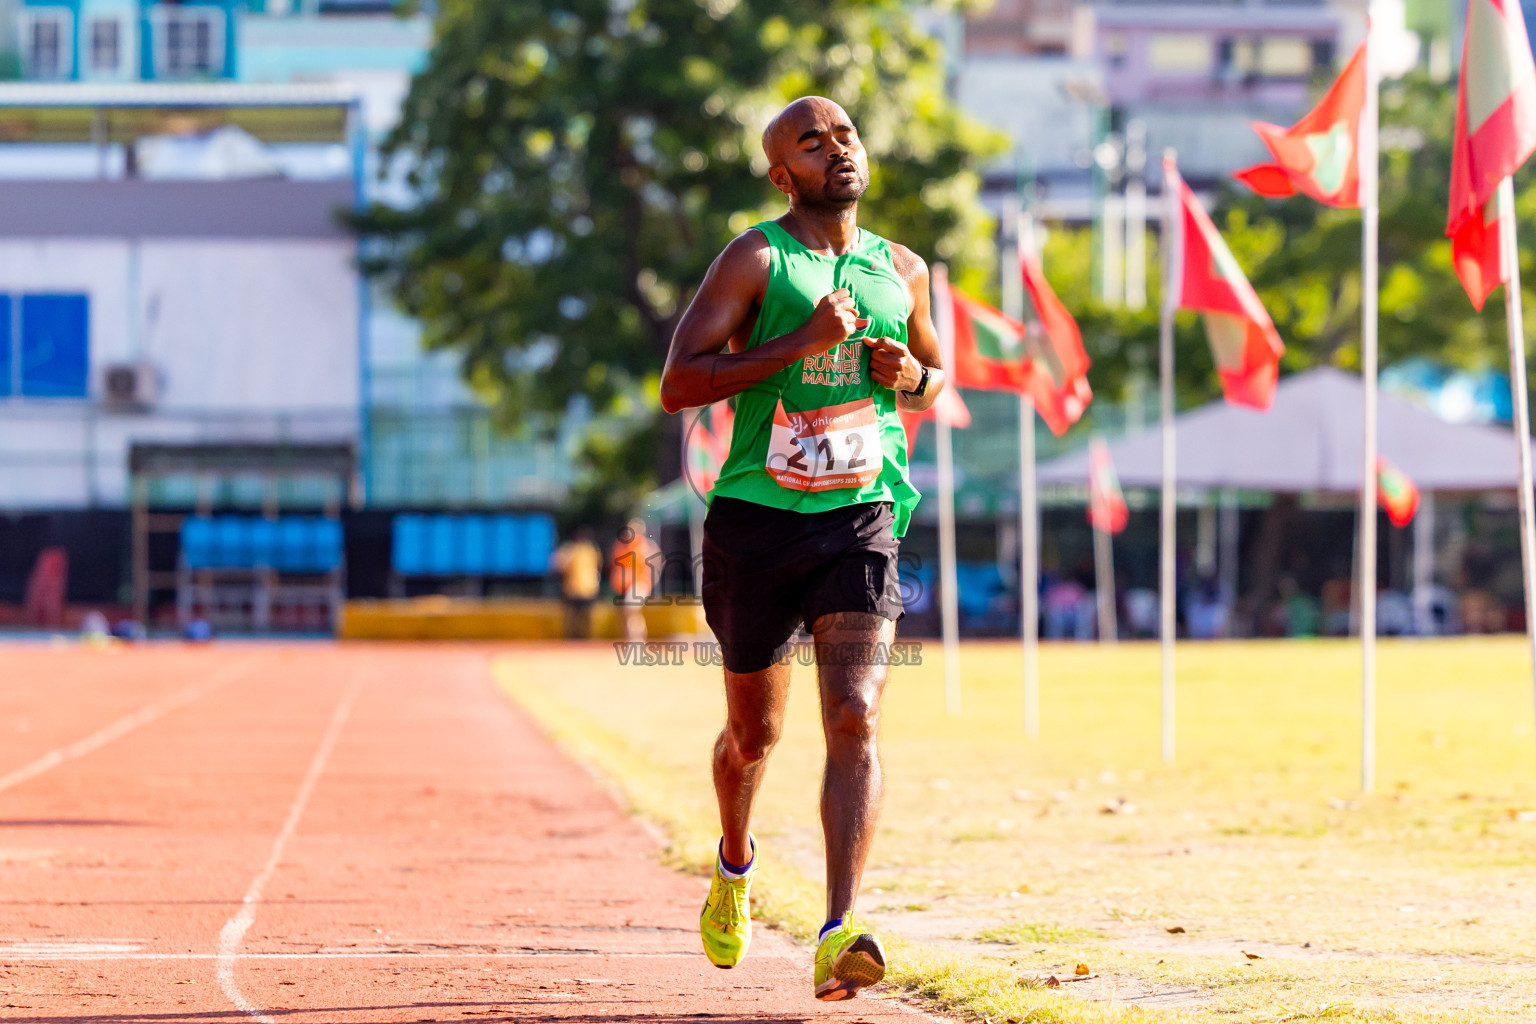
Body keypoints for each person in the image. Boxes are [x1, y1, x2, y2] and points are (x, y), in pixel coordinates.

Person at [659, 96, 947, 1001]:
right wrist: (799, 345)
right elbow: (679, 383)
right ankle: (735, 862)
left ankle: (838, 929)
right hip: (756, 517)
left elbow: (933, 376)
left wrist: (912, 375)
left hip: (861, 514)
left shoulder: (902, 267)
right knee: (755, 735)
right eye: (811, 143)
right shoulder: (756, 257)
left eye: (847, 134)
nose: (837, 149)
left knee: (855, 714)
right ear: (784, 175)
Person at [610, 518, 660, 641]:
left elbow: (657, 561)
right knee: (629, 615)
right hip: (625, 586)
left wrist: (653, 579)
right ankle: (634, 640)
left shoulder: (645, 546)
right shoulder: (621, 546)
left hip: (640, 583)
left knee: (630, 608)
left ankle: (636, 640)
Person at [549, 527, 602, 639]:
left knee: (574, 618)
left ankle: (574, 638)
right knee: (582, 617)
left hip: (575, 588)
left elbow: (559, 566)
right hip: (586, 588)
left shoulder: (570, 550)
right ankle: (584, 638)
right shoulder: (592, 550)